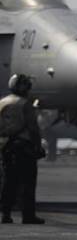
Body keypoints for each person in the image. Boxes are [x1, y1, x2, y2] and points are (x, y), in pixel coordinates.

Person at [0, 74, 45, 224]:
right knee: (28, 182)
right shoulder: (26, 104)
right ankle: (28, 215)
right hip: (24, 147)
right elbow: (33, 128)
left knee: (8, 182)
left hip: (6, 147)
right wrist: (38, 147)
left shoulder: (2, 102)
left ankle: (5, 214)